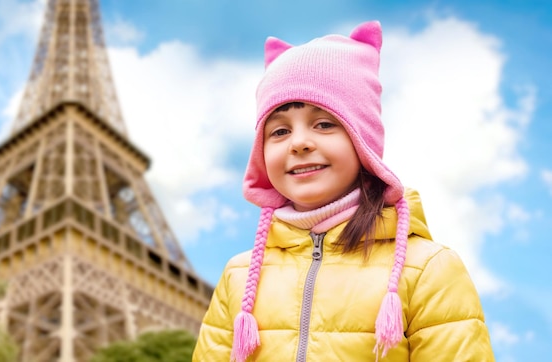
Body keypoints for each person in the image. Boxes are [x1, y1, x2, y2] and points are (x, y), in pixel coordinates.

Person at [192, 20, 494, 361]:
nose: (300, 143)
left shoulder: (428, 268)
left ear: (363, 141)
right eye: (278, 131)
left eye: (324, 124)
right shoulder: (240, 275)